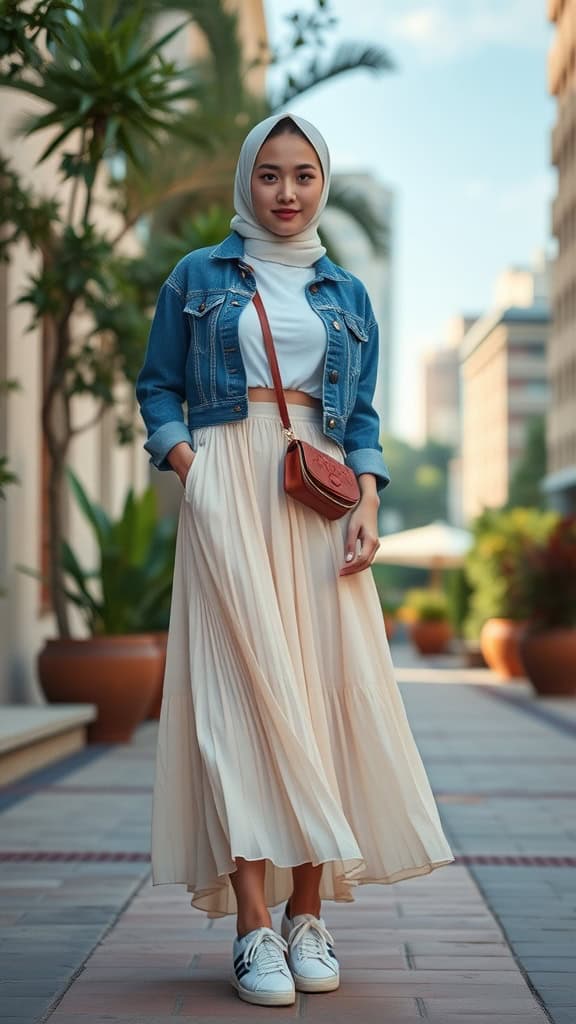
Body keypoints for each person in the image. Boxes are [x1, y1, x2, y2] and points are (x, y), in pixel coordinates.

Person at [136, 112, 454, 1009]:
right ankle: (251, 926)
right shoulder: (198, 276)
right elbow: (158, 385)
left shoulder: (347, 294)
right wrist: (190, 469)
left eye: (304, 175)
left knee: (318, 699)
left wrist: (370, 494)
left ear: (323, 181)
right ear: (247, 179)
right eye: (270, 174)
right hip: (226, 484)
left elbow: (361, 418)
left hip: (316, 496)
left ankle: (308, 916)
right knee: (241, 700)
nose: (286, 192)